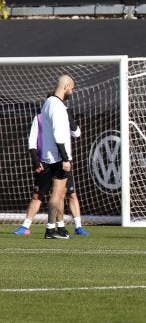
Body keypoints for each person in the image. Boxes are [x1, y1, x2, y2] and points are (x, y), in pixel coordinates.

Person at [13, 110, 89, 236]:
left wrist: (68, 114)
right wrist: (36, 161)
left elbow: (77, 133)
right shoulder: (39, 119)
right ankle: (25, 226)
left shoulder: (64, 117)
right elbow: (32, 141)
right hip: (45, 162)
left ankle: (78, 226)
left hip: (62, 162)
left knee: (69, 194)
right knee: (37, 195)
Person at [40, 74, 76, 239]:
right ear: (66, 87)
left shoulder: (48, 103)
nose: (72, 92)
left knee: (60, 193)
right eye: (72, 88)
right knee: (57, 193)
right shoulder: (57, 106)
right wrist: (65, 158)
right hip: (58, 156)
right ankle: (50, 229)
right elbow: (59, 134)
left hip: (50, 155)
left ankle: (59, 227)